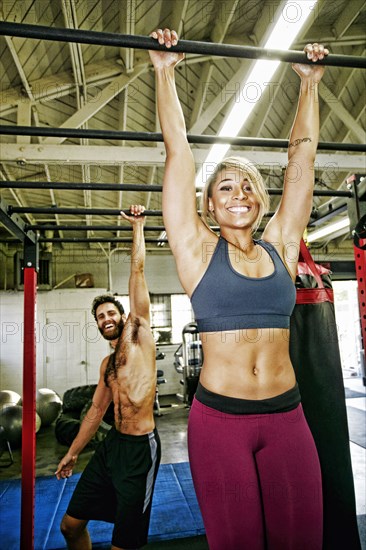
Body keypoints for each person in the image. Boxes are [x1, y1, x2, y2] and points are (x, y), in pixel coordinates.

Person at [149, 29, 328, 550]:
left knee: (303, 541)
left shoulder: (281, 248)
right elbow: (178, 156)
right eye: (225, 186)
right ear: (209, 206)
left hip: (287, 418)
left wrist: (309, 85)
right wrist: (164, 72)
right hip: (220, 423)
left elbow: (303, 165)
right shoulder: (197, 250)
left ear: (260, 200)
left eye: (248, 184)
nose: (239, 192)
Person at [55, 205, 161, 550]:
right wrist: (72, 452)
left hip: (139, 450)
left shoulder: (139, 335)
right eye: (100, 317)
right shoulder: (106, 365)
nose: (106, 319)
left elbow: (138, 270)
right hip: (111, 446)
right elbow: (94, 412)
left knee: (123, 545)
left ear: (123, 313)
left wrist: (138, 228)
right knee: (69, 526)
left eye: (110, 312)